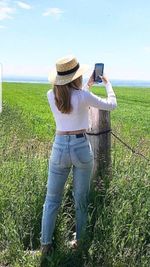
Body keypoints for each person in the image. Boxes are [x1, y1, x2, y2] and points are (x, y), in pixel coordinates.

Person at [40, 55, 117, 258]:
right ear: (76, 77)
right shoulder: (82, 96)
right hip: (81, 147)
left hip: (59, 148)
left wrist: (87, 86)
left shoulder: (51, 95)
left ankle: (45, 244)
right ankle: (80, 241)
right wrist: (108, 84)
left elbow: (73, 101)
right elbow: (111, 105)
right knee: (80, 198)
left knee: (51, 199)